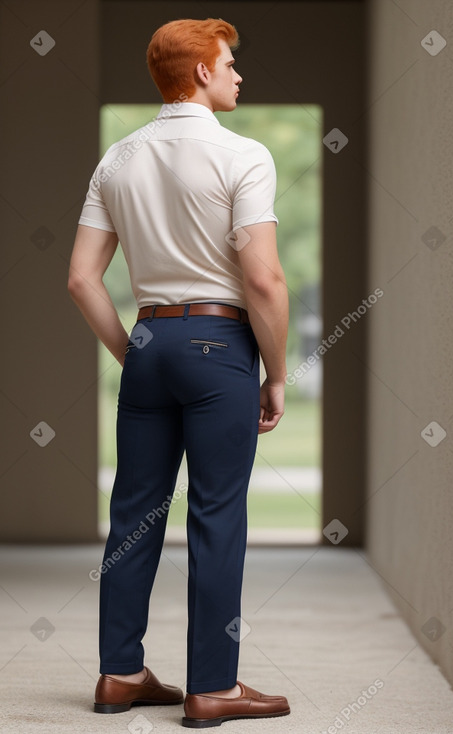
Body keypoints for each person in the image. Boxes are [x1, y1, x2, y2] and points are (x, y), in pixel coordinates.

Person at [68, 17, 289, 728]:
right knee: (216, 516)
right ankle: (212, 687)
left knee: (132, 516)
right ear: (199, 71)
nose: (237, 75)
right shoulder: (243, 155)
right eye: (229, 62)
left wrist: (131, 352)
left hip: (149, 343)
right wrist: (276, 373)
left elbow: (80, 280)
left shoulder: (118, 158)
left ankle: (120, 673)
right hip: (219, 347)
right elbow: (263, 281)